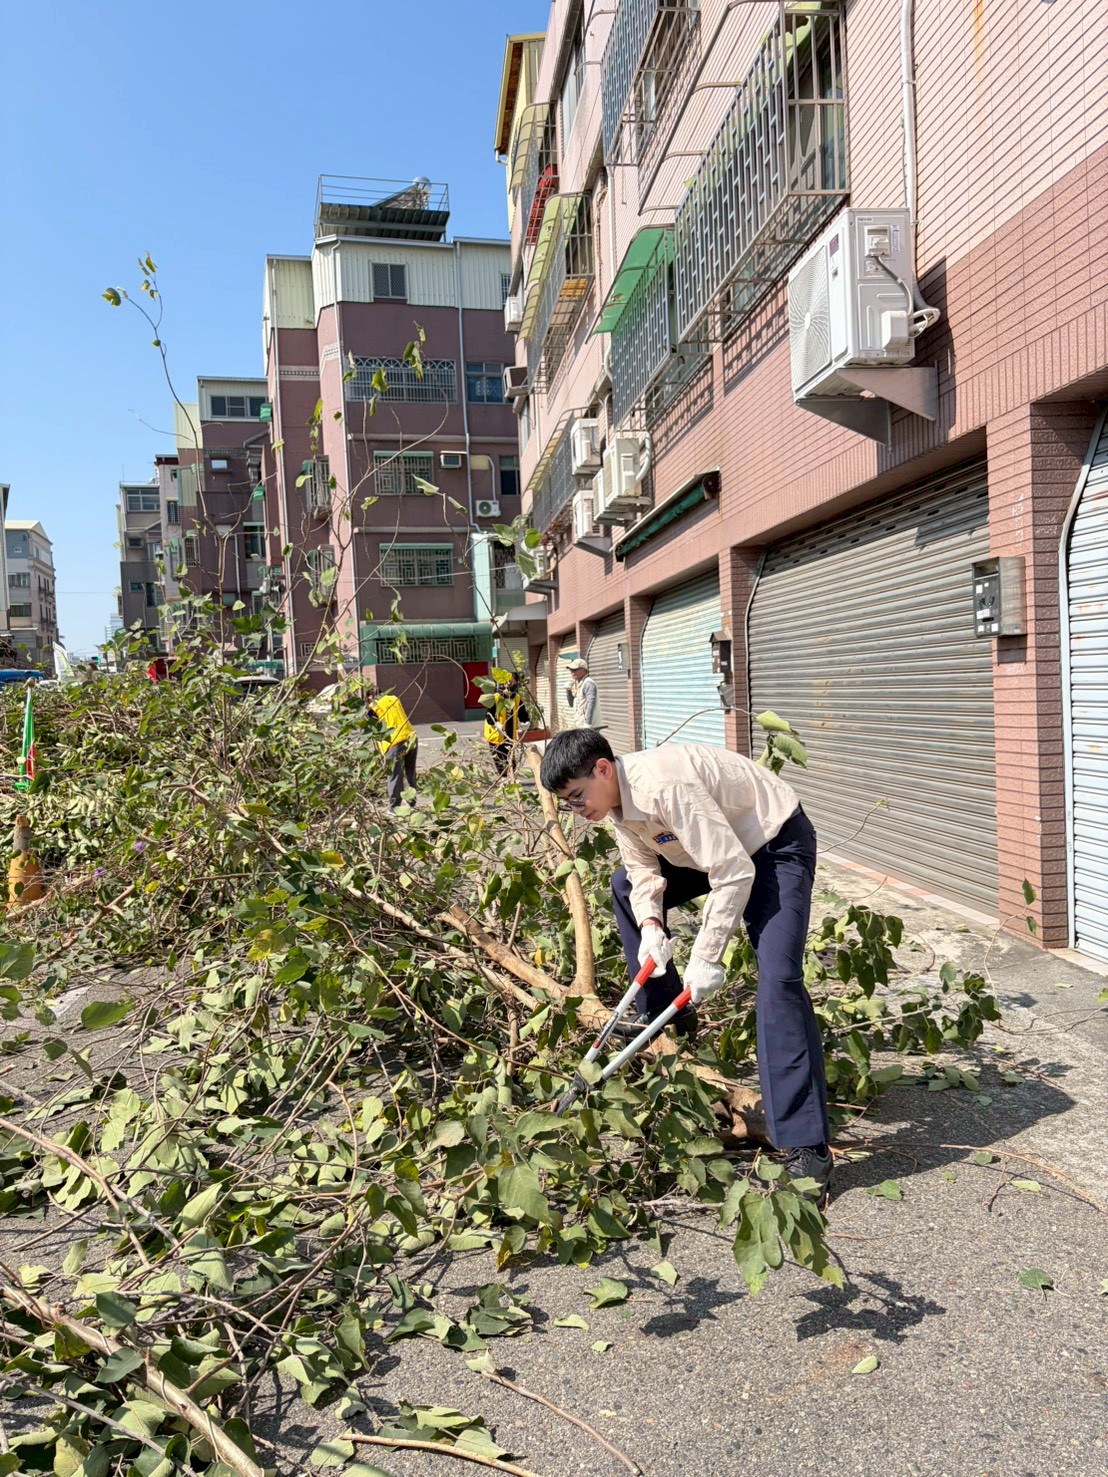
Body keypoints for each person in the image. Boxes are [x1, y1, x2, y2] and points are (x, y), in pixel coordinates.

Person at [538, 727, 832, 1201]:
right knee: (624, 887)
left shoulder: (663, 787)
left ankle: (806, 1149)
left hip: (773, 847)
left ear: (603, 768)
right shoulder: (612, 802)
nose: (578, 810)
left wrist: (705, 959)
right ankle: (663, 1014)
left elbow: (734, 871)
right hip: (713, 849)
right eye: (567, 803)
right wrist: (652, 928)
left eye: (577, 796)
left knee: (778, 981)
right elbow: (641, 869)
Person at [367, 685, 417, 813]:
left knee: (394, 775)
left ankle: (394, 808)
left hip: (395, 742)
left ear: (370, 697)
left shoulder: (373, 707)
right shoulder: (394, 698)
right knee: (410, 770)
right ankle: (411, 802)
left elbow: (372, 728)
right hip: (411, 736)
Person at [484, 676, 530, 778]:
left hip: (509, 736)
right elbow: (488, 715)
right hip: (496, 736)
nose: (509, 685)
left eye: (512, 682)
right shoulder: (496, 698)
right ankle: (504, 779)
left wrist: (525, 722)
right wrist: (495, 724)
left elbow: (522, 713)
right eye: (507, 682)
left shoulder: (517, 698)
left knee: (510, 760)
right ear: (503, 684)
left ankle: (511, 778)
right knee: (500, 760)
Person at [565, 657, 600, 729]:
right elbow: (572, 704)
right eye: (571, 670)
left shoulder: (588, 683)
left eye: (575, 670)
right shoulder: (579, 684)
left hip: (589, 727)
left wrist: (588, 724)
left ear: (584, 670)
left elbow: (591, 703)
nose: (572, 672)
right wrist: (568, 691)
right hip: (580, 725)